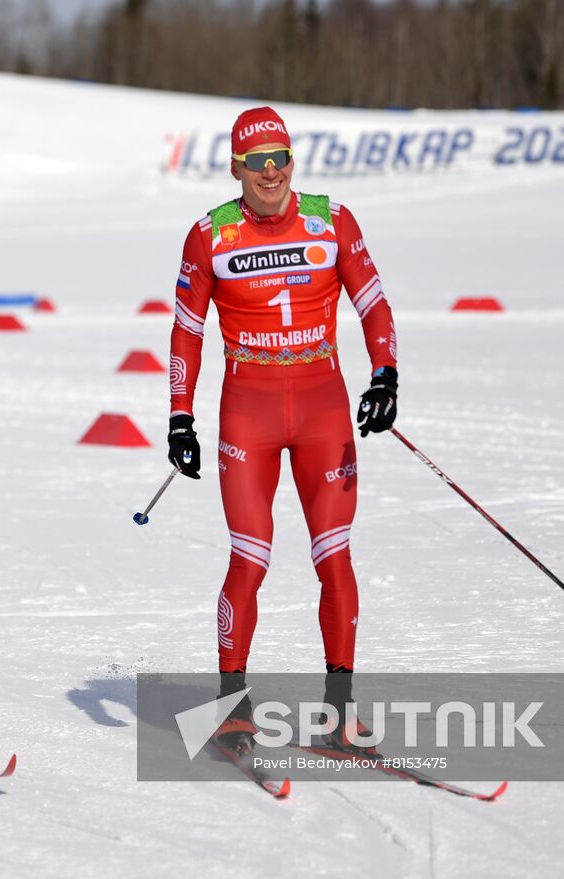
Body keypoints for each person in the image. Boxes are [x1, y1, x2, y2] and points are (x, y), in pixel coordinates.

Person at [166, 107, 398, 744]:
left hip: (323, 406)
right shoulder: (209, 236)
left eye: (281, 159)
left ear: (293, 162)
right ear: (236, 167)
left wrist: (386, 376)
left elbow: (372, 300)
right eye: (257, 161)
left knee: (335, 558)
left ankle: (340, 713)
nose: (271, 173)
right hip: (249, 411)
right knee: (250, 559)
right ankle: (232, 706)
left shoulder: (331, 220)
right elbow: (188, 331)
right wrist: (179, 417)